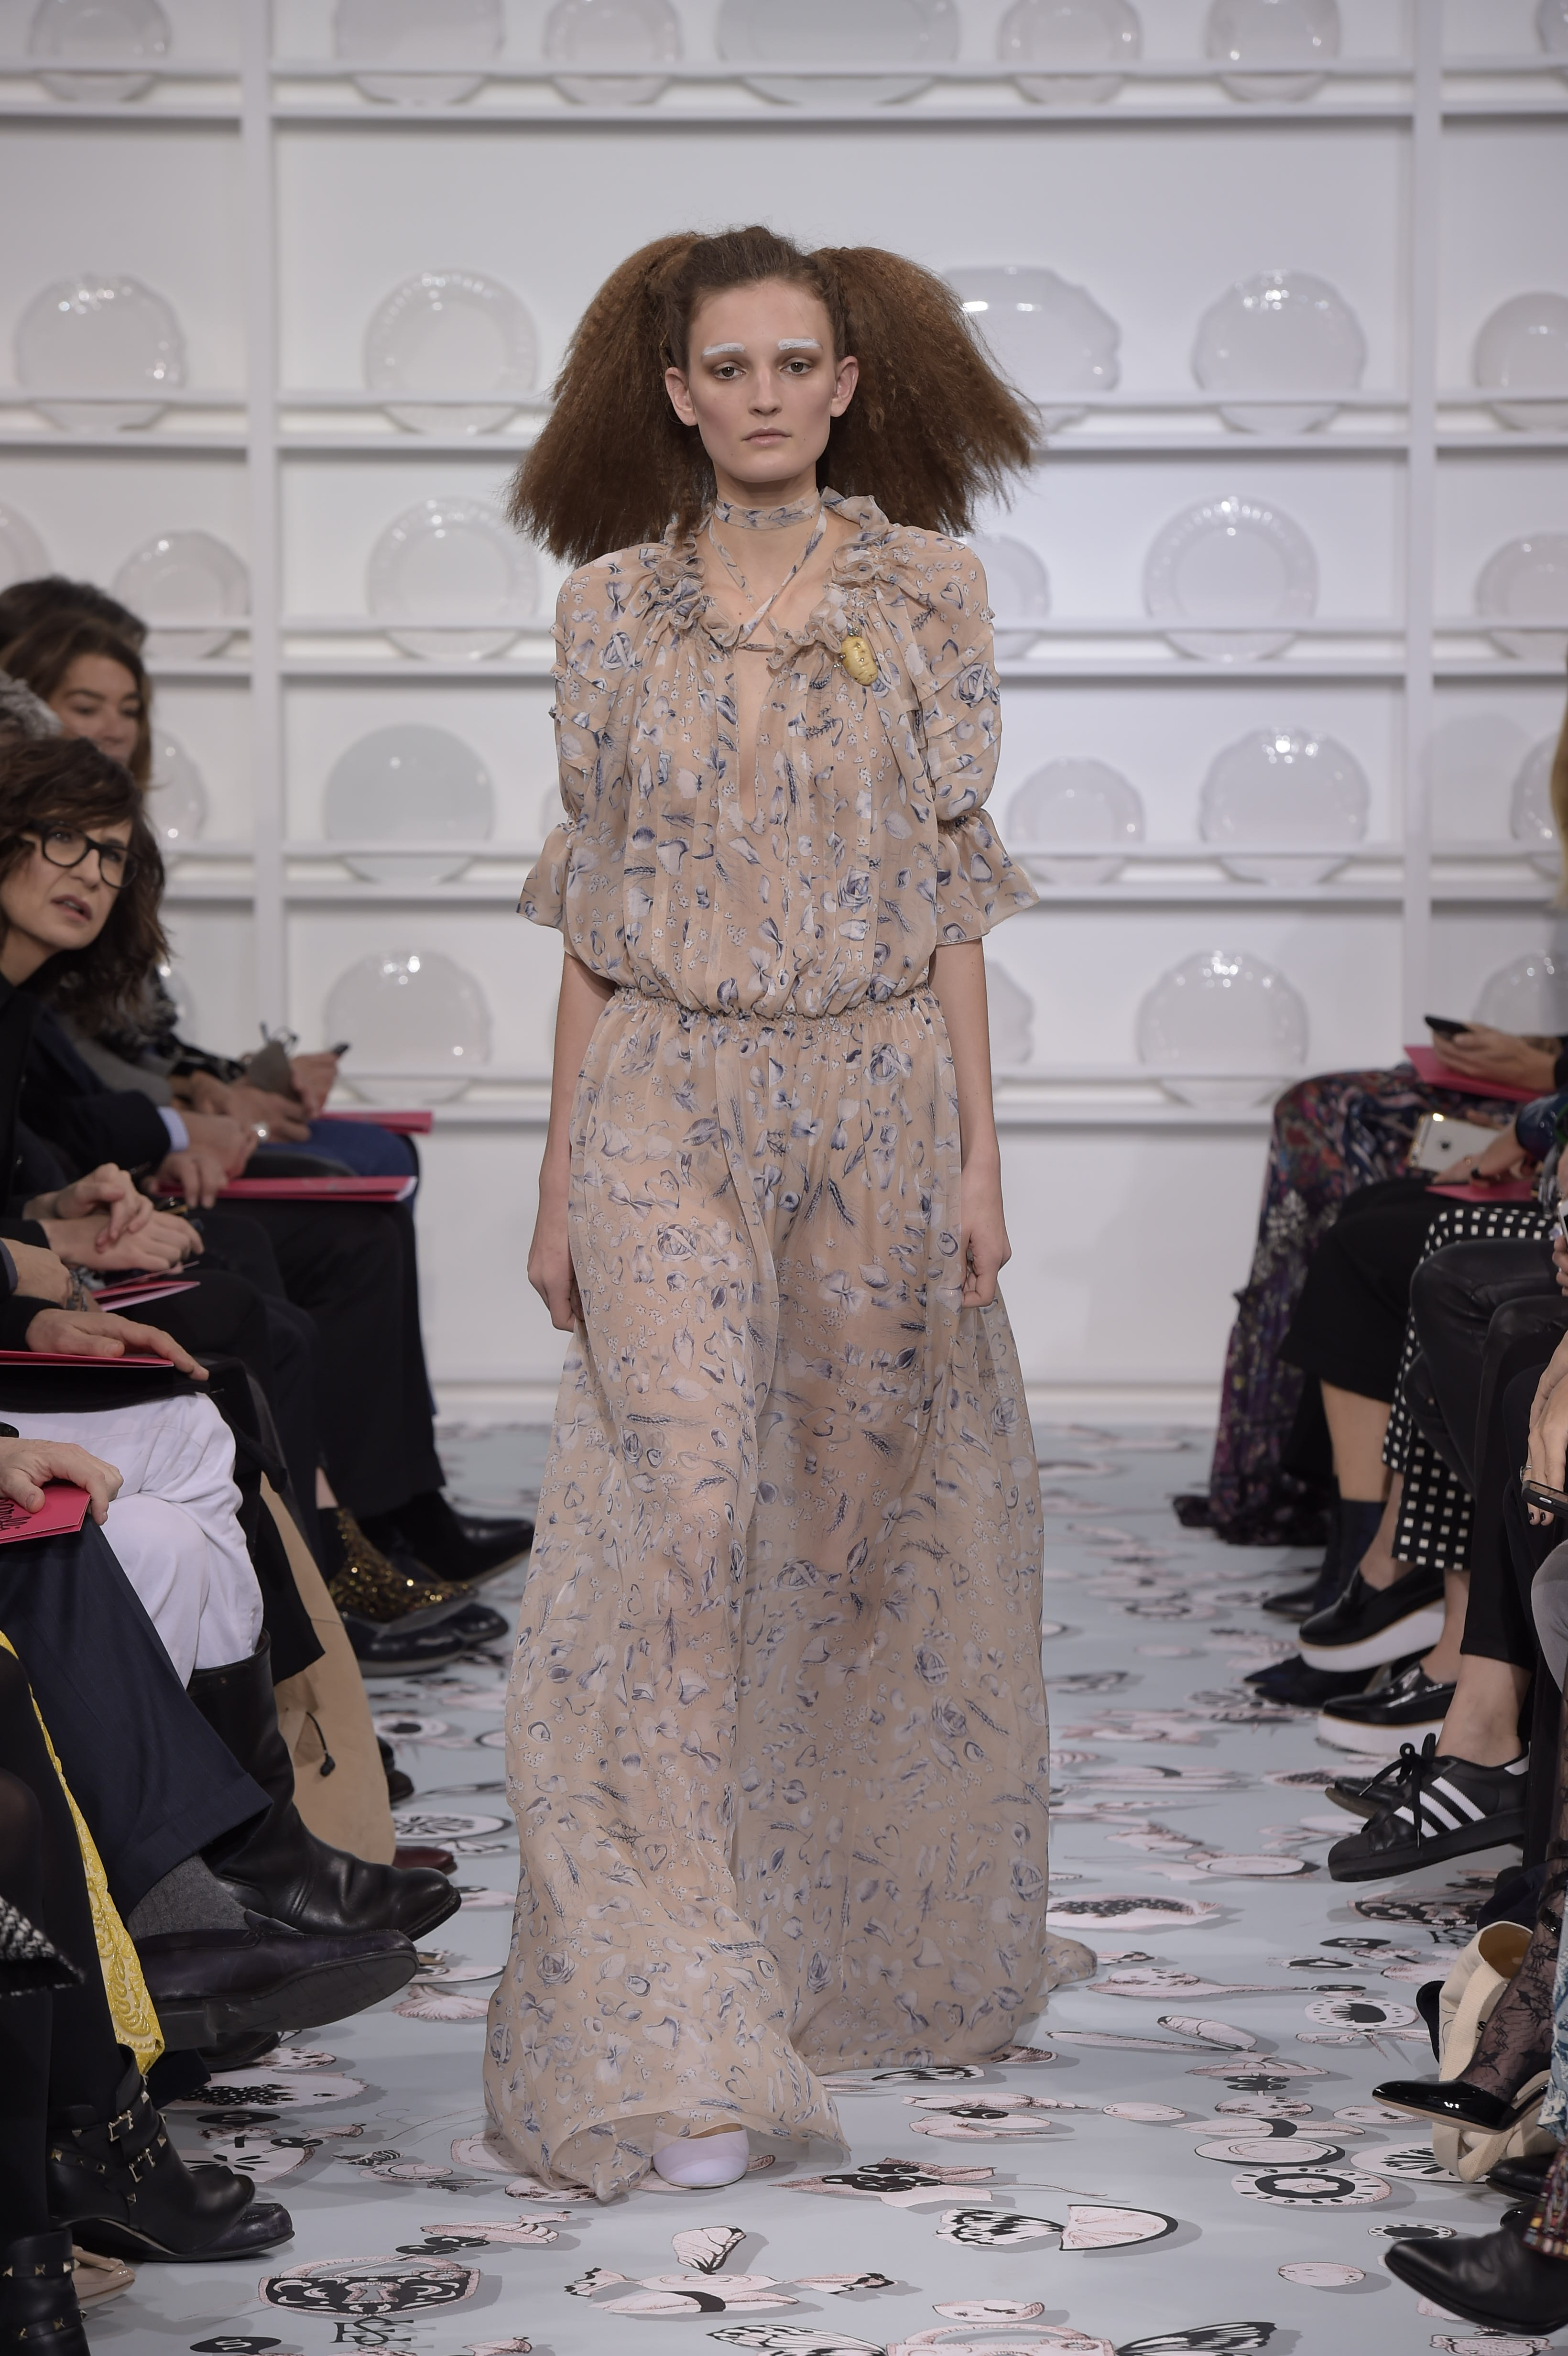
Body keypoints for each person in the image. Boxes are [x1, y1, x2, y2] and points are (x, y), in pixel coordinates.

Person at [485, 226, 1053, 2198]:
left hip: (878, 1095)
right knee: (674, 1524)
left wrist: (980, 1157)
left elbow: (955, 890)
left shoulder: (930, 589)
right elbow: (591, 909)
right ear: (675, 392)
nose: (762, 397)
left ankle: (802, 1941)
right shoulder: (607, 610)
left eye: (794, 363)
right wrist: (559, 1172)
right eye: (726, 367)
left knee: (842, 1529)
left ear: (845, 382)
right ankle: (669, 2023)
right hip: (663, 1092)